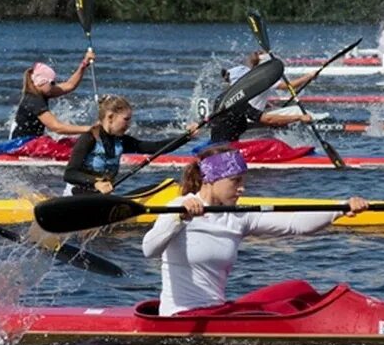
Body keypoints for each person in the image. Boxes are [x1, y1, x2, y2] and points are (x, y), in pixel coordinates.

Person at [142, 145, 368, 316]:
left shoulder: (238, 215)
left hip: (215, 310)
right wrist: (179, 218)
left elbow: (295, 225)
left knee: (297, 289)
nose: (242, 188)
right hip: (181, 315)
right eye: (235, 181)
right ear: (210, 180)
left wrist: (340, 207)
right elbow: (149, 249)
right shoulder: (179, 206)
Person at [63, 95, 192, 195]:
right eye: (126, 119)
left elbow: (156, 147)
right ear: (110, 117)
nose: (129, 125)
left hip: (102, 197)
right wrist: (96, 184)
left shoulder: (122, 141)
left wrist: (187, 136)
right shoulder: (89, 138)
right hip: (76, 194)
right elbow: (69, 174)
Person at [208, 56, 315, 143]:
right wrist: (299, 118)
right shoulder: (240, 101)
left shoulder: (220, 98)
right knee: (296, 112)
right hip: (236, 139)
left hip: (224, 138)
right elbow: (268, 120)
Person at [9, 50, 96, 139]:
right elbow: (57, 127)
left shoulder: (41, 91)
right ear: (41, 82)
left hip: (30, 142)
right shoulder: (34, 101)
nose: (54, 85)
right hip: (20, 145)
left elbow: (70, 85)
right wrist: (88, 128)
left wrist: (84, 64)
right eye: (52, 83)